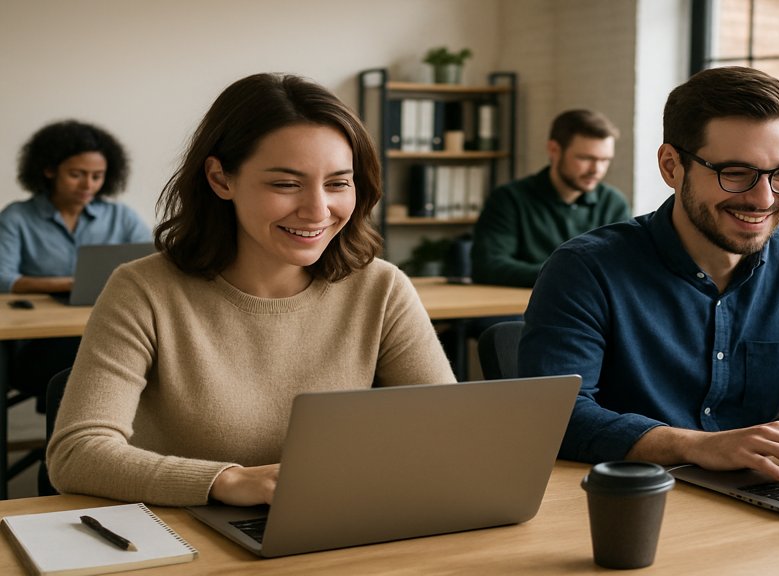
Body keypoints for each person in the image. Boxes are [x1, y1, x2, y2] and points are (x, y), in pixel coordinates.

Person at [47, 73, 456, 507]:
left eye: (338, 183)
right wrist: (224, 482)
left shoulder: (382, 287)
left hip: (333, 524)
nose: (318, 210)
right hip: (185, 538)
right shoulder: (143, 289)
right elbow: (77, 454)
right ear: (221, 179)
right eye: (285, 184)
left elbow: (450, 431)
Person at [518, 67, 779, 487]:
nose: (764, 199)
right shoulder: (585, 269)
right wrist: (696, 445)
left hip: (755, 496)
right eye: (736, 173)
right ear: (672, 167)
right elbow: (556, 417)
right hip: (623, 501)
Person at [0, 120, 150, 410]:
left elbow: (152, 264)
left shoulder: (121, 217)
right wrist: (70, 284)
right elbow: (2, 278)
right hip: (38, 344)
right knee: (84, 356)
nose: (88, 185)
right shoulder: (17, 218)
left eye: (97, 176)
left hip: (108, 332)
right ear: (49, 170)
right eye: (76, 174)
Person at [470, 109, 631, 288]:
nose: (597, 170)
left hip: (592, 309)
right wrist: (571, 273)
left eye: (605, 160)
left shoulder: (613, 203)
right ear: (554, 150)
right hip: (523, 307)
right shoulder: (509, 199)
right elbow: (488, 267)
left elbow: (623, 267)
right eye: (586, 158)